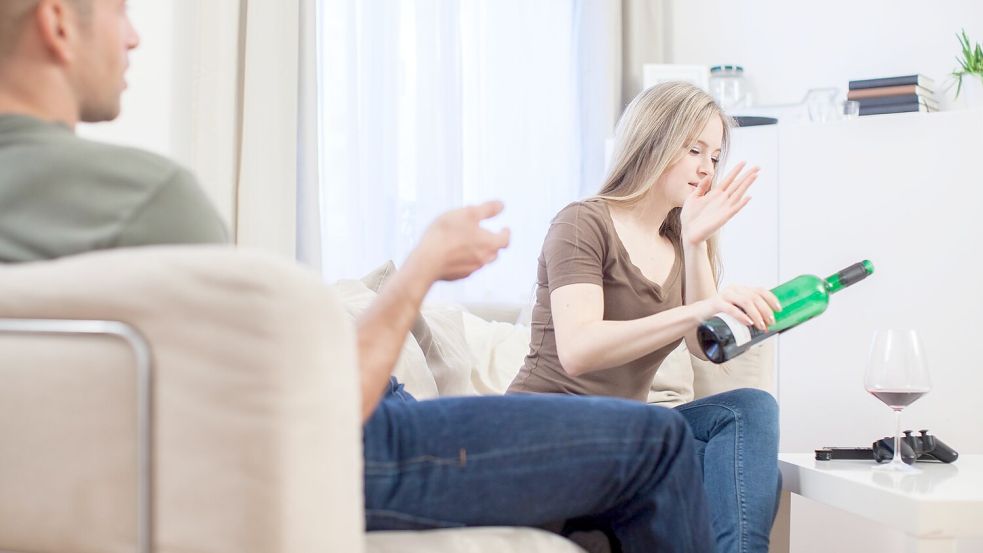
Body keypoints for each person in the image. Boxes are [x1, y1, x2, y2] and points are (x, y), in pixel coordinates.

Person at [0, 1, 717, 551]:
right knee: (660, 443)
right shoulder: (143, 197)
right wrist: (419, 270)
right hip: (351, 442)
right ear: (58, 23)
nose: (133, 37)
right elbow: (317, 409)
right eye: (121, 12)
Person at [508, 81, 782, 552]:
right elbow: (579, 350)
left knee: (748, 413)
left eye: (714, 157)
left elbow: (703, 346)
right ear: (653, 140)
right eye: (694, 149)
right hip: (548, 429)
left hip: (625, 440)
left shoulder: (679, 242)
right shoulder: (582, 222)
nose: (705, 168)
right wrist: (702, 306)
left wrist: (695, 245)